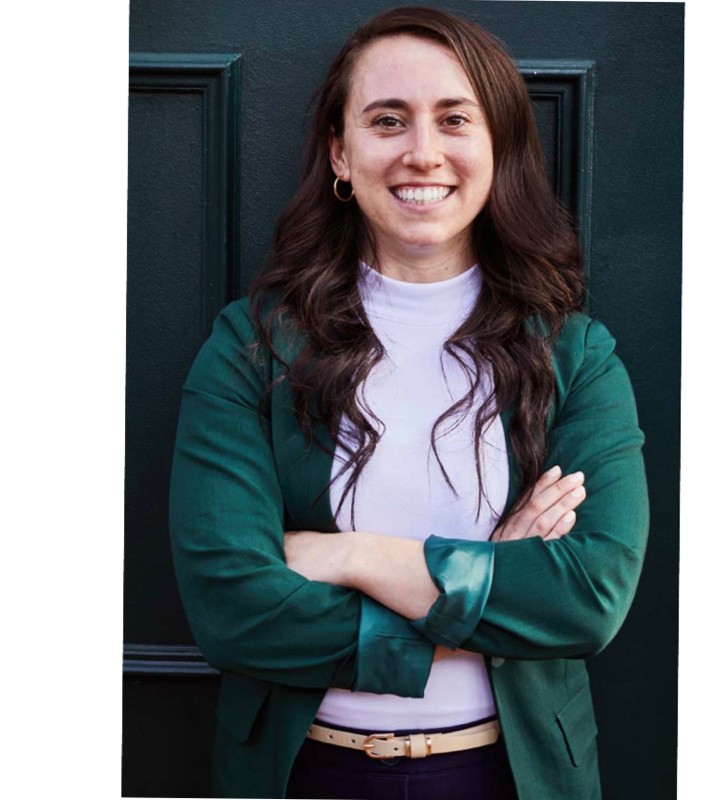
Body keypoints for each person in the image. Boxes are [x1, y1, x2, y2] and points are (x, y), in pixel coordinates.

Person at [169, 6, 648, 799]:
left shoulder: (575, 354)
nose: (423, 151)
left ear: (496, 148)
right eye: (387, 120)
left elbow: (586, 599)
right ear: (341, 154)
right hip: (300, 772)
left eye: (454, 119)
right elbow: (232, 607)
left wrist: (353, 556)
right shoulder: (251, 347)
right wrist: (488, 579)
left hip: (509, 775)